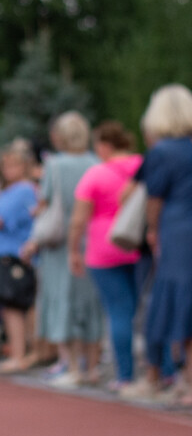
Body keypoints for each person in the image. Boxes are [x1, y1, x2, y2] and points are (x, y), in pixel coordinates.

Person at [22, 112, 103, 388]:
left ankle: (71, 366)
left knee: (61, 300)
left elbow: (44, 205)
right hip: (90, 240)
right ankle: (92, 368)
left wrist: (33, 237)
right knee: (89, 304)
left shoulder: (54, 166)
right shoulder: (95, 162)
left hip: (60, 243)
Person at [69, 121, 143, 391]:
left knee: (118, 312)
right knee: (142, 310)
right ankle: (165, 370)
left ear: (104, 146)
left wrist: (73, 249)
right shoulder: (142, 166)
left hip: (103, 247)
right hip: (138, 245)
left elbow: (78, 219)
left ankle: (125, 374)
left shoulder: (96, 174)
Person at [130, 85, 192, 403]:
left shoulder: (162, 152)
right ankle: (183, 378)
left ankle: (167, 377)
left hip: (178, 229)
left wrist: (152, 231)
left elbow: (153, 198)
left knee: (170, 301)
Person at [0, 142, 38, 373]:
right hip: (3, 254)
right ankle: (21, 352)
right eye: (5, 165)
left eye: (13, 165)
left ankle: (21, 354)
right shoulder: (9, 190)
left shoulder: (24, 190)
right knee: (12, 307)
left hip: (14, 254)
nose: (8, 170)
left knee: (17, 307)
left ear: (24, 166)